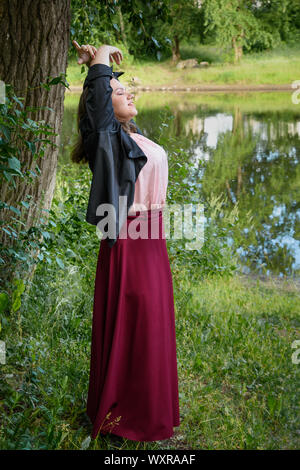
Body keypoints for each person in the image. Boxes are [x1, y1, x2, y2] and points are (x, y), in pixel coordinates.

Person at [71, 41, 180, 442]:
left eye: (125, 88)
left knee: (150, 327)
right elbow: (97, 107)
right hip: (131, 243)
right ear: (104, 106)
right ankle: (125, 418)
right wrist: (100, 54)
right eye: (118, 92)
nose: (128, 92)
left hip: (152, 241)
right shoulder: (107, 140)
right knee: (134, 325)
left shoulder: (126, 136)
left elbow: (101, 99)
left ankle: (149, 411)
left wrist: (96, 69)